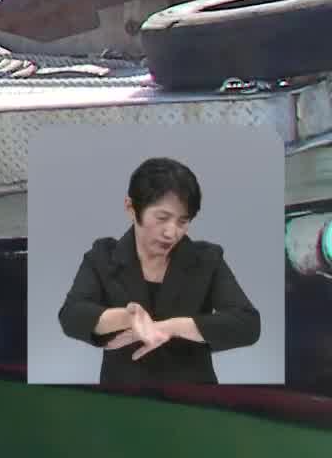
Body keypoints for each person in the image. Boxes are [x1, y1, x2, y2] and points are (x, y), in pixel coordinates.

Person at [56, 156, 261, 385]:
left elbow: (247, 324)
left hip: (193, 397)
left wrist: (169, 328)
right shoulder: (103, 256)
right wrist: (128, 318)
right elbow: (71, 315)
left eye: (182, 222)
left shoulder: (206, 259)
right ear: (131, 208)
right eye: (162, 218)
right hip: (123, 396)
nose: (171, 233)